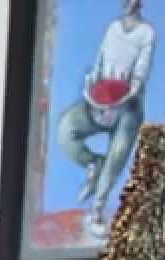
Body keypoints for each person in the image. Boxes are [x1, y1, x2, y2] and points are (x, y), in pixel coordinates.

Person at [56, 0, 155, 237]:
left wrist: (119, 101)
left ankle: (97, 209)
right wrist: (92, 89)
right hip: (98, 100)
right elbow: (99, 63)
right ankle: (92, 163)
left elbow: (139, 76)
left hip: (127, 109)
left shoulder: (147, 33)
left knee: (116, 158)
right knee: (66, 129)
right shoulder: (112, 28)